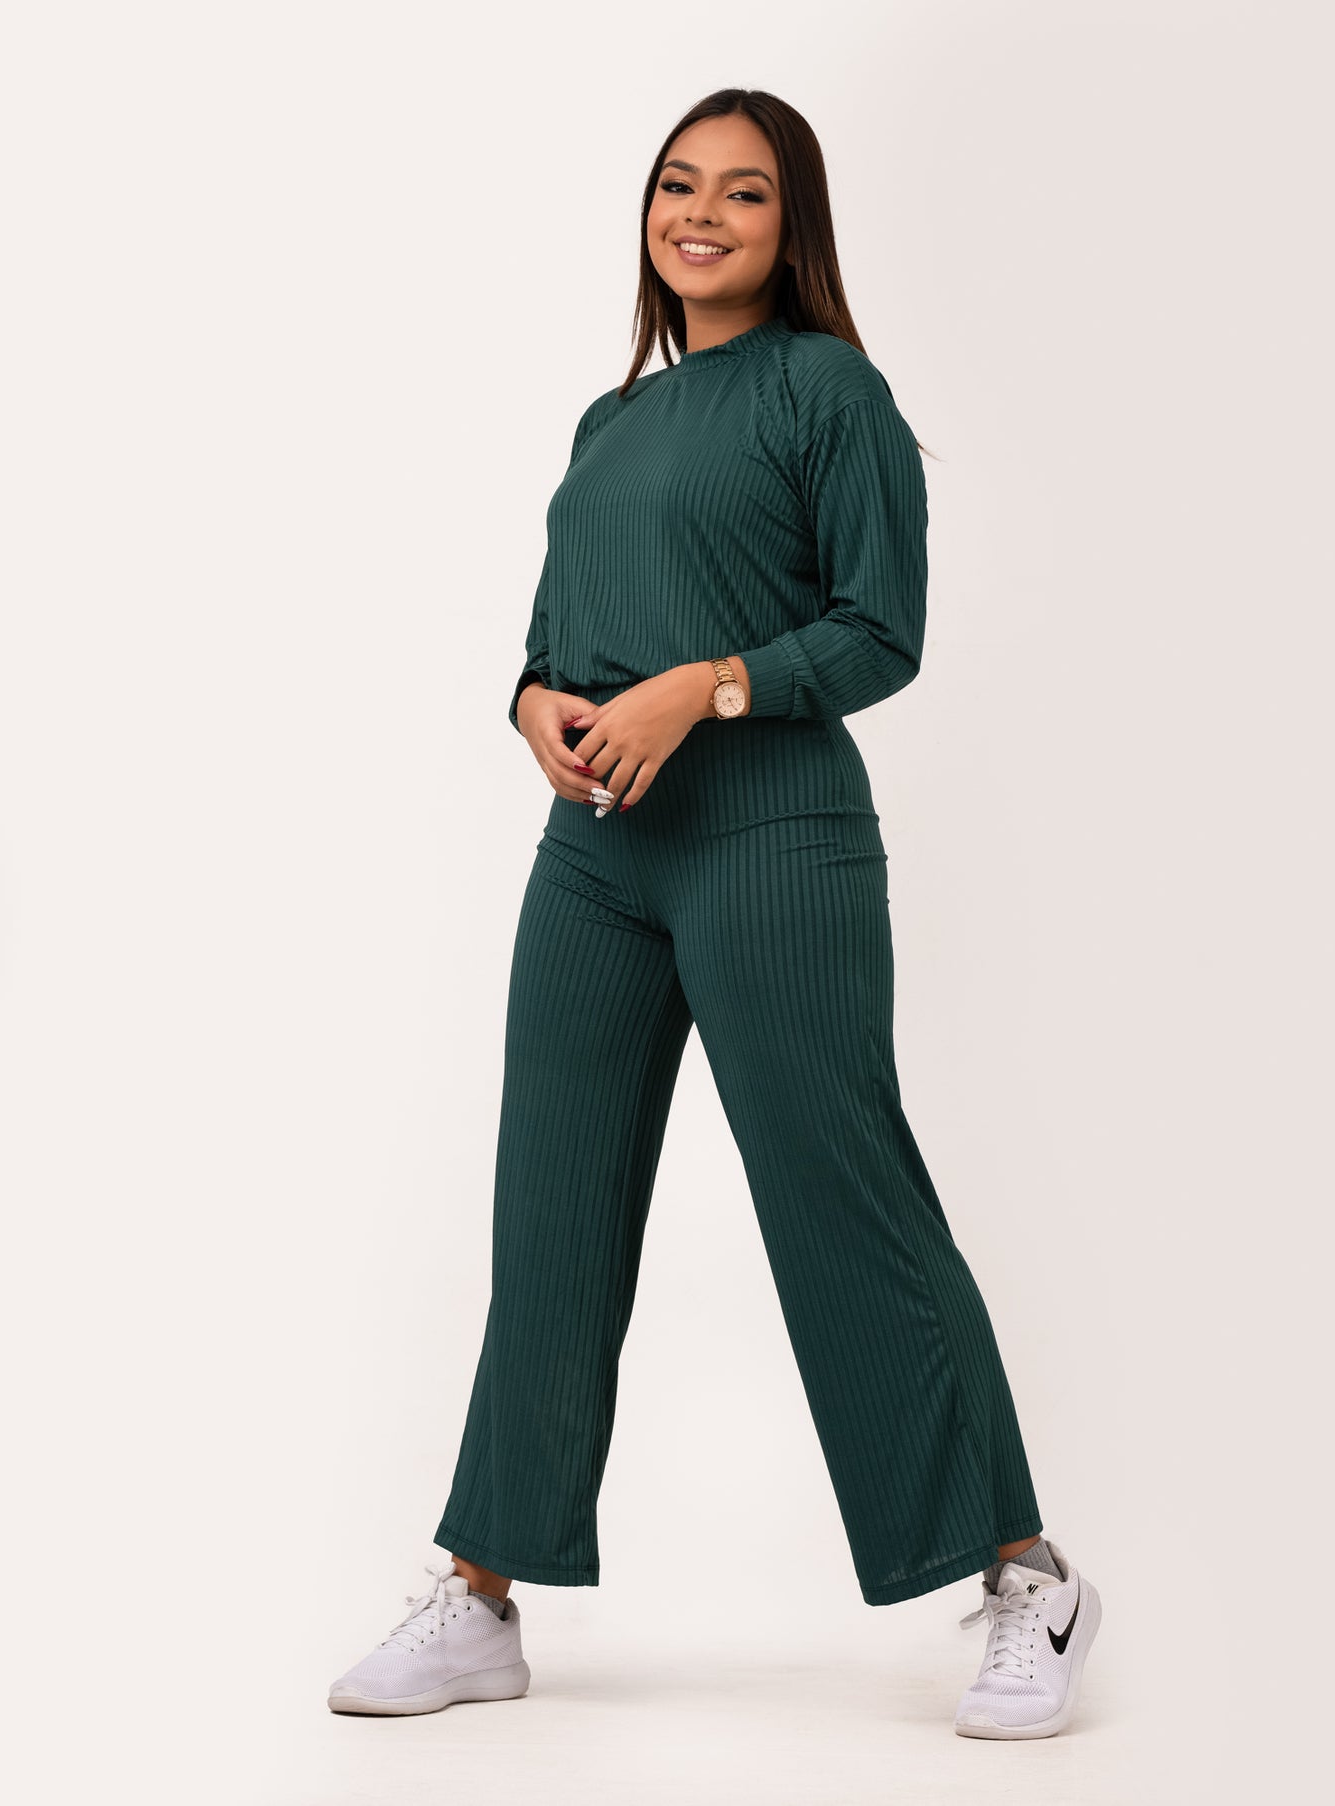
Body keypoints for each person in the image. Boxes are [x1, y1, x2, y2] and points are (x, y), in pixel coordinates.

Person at [328, 89, 1101, 1741]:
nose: (698, 213)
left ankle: (1023, 1573)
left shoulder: (830, 391)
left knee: (841, 1196)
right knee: (551, 1210)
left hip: (772, 837)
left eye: (741, 193)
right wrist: (531, 703)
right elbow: (554, 636)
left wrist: (707, 684)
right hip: (596, 853)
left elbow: (879, 629)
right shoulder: (607, 421)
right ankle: (480, 1593)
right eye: (677, 184)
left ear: (789, 224)